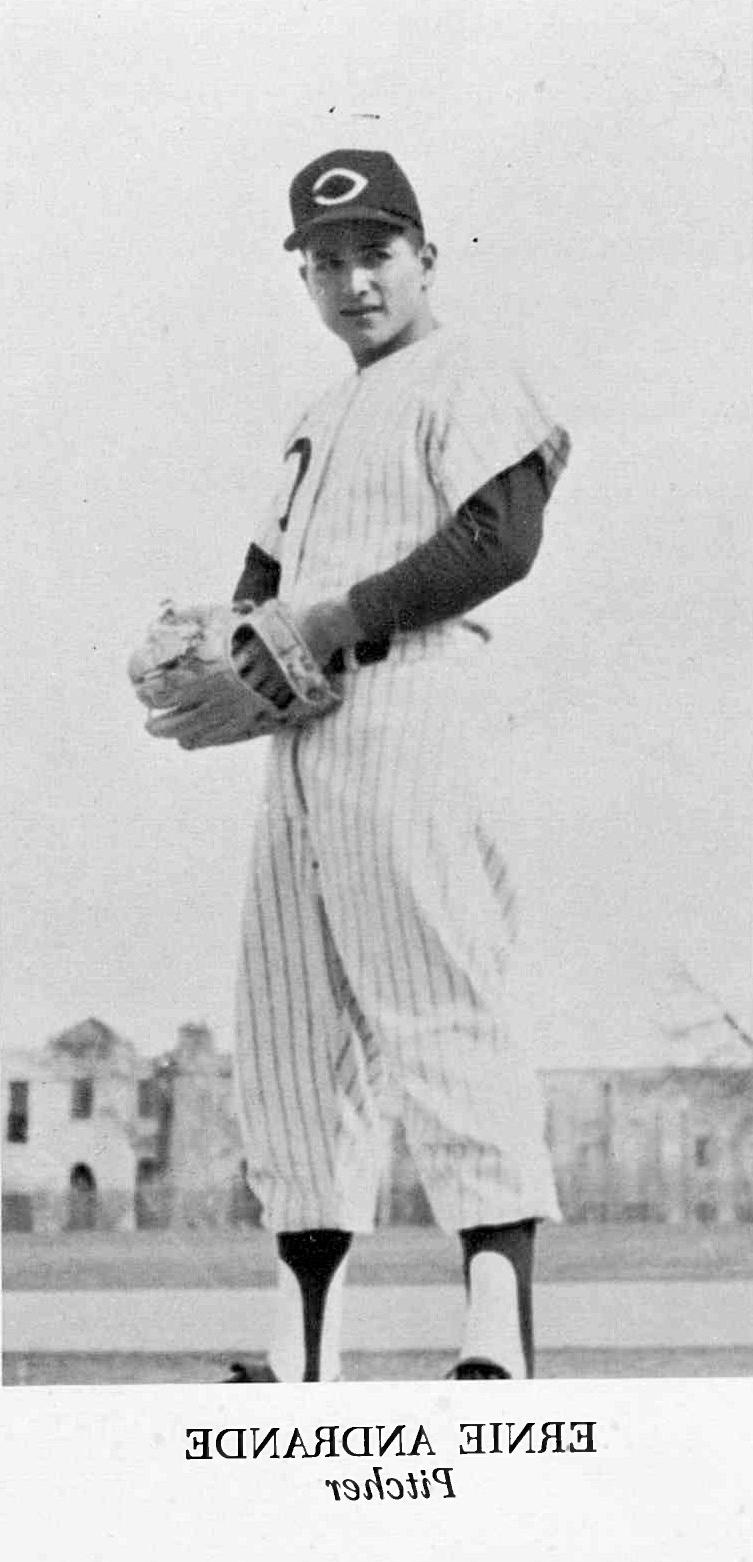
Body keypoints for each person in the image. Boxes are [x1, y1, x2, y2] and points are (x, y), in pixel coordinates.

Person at [225, 149, 570, 1382]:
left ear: (425, 254)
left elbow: (500, 536)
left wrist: (333, 616)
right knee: (289, 1023)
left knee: (437, 990)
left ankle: (496, 1337)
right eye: (327, 262)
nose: (353, 280)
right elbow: (261, 582)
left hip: (416, 692)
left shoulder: (470, 369)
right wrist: (219, 648)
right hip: (307, 730)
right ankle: (302, 1349)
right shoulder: (316, 416)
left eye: (376, 252)